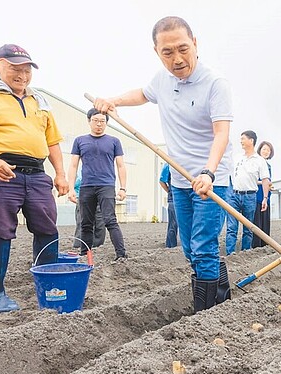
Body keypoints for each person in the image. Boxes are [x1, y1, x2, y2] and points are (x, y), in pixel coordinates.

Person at [93, 16, 233, 312]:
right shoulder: (162, 80)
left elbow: (221, 133)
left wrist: (208, 172)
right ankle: (222, 298)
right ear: (157, 52)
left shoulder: (215, 83)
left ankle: (205, 314)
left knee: (203, 248)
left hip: (212, 180)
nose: (177, 59)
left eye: (183, 49)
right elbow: (143, 94)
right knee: (189, 249)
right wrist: (114, 101)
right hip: (181, 182)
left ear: (195, 44)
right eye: (167, 52)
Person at [0, 44, 69, 313]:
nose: (22, 75)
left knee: (47, 229)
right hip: (2, 172)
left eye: (26, 70)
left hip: (37, 174)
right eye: (15, 68)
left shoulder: (39, 101)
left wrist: (61, 174)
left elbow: (53, 142)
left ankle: (49, 288)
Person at [68, 109, 128, 261]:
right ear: (89, 121)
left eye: (102, 121)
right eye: (96, 120)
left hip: (106, 186)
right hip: (86, 186)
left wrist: (122, 188)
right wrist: (70, 189)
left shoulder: (114, 141)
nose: (99, 124)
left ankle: (121, 255)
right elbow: (73, 166)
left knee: (110, 220)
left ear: (106, 123)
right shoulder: (80, 141)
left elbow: (121, 165)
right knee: (86, 223)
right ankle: (84, 255)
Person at [226, 130, 270, 254]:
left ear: (251, 141)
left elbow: (265, 180)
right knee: (231, 228)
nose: (241, 142)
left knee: (248, 228)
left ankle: (244, 254)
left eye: (243, 139)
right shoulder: (237, 158)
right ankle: (230, 254)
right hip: (234, 195)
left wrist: (265, 198)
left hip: (250, 197)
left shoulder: (260, 161)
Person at [71, 166, 106, 250]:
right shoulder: (81, 171)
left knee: (100, 222)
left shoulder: (103, 169)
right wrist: (74, 194)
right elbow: (75, 185)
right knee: (82, 221)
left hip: (99, 197)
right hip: (83, 198)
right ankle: (79, 244)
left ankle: (97, 245)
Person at [252, 141, 274, 248]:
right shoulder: (255, 163)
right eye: (264, 149)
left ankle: (265, 247)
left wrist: (270, 186)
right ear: (260, 150)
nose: (266, 152)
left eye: (268, 150)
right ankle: (256, 247)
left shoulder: (269, 166)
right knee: (257, 224)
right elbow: (252, 180)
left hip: (266, 198)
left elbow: (268, 182)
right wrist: (264, 183)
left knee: (265, 224)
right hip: (257, 197)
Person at [159, 162, 178, 248]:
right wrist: (169, 192)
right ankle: (170, 246)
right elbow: (162, 181)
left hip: (187, 198)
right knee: (173, 224)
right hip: (173, 199)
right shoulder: (169, 164)